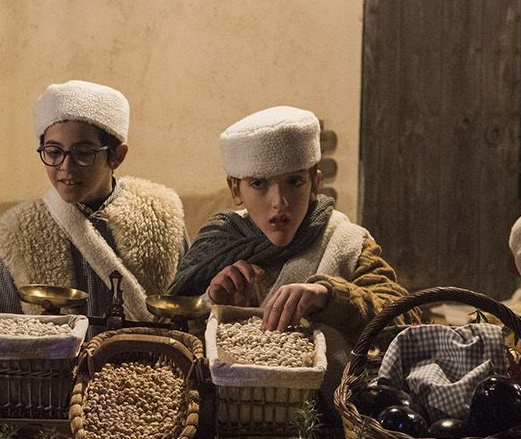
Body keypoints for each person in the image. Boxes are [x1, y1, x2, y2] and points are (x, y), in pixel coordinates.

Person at [169, 106, 406, 339]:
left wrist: (329, 296)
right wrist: (214, 305)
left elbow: (403, 317)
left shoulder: (347, 243)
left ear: (314, 184)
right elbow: (166, 334)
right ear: (235, 189)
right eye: (258, 184)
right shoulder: (216, 246)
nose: (279, 202)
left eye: (295, 182)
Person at [0, 80, 186, 321]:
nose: (65, 167)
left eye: (83, 153)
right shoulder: (20, 231)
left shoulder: (161, 215)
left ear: (117, 155)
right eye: (53, 152)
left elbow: (188, 313)